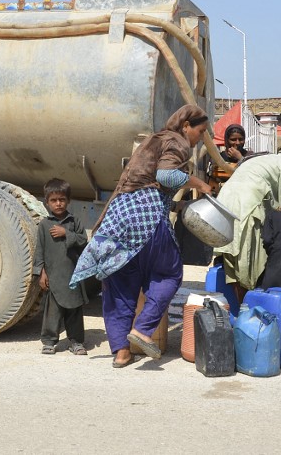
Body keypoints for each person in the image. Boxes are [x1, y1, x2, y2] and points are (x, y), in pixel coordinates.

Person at [69, 104, 212, 368]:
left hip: (119, 216)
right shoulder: (177, 141)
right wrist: (199, 183)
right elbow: (166, 176)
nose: (201, 138)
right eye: (200, 131)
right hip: (145, 217)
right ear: (185, 125)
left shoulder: (153, 140)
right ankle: (143, 328)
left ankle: (122, 352)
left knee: (121, 285)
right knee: (169, 274)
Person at [213, 141, 281, 302]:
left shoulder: (267, 159)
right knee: (250, 266)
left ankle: (242, 312)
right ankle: (249, 313)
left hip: (223, 206)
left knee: (233, 266)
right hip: (246, 208)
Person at [34, 178, 88, 355]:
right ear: (47, 202)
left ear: (68, 201)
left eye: (62, 199)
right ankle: (49, 341)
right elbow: (39, 250)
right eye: (54, 200)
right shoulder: (44, 225)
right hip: (53, 276)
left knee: (74, 310)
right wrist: (41, 273)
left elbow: (84, 241)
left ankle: (76, 342)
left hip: (72, 276)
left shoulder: (74, 222)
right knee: (52, 312)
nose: (58, 203)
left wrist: (67, 234)